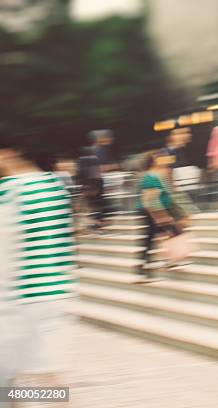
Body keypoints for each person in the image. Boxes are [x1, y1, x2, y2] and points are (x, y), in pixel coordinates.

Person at [0, 126, 77, 396]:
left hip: (18, 300)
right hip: (56, 294)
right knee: (48, 378)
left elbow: (5, 252)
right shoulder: (54, 186)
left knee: (10, 380)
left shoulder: (7, 191)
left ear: (5, 154)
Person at [136, 152, 184, 282]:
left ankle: (164, 262)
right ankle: (144, 270)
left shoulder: (156, 175)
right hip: (153, 212)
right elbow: (149, 199)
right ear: (154, 162)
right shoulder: (150, 177)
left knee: (162, 236)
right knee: (165, 234)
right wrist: (159, 216)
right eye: (159, 158)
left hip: (156, 211)